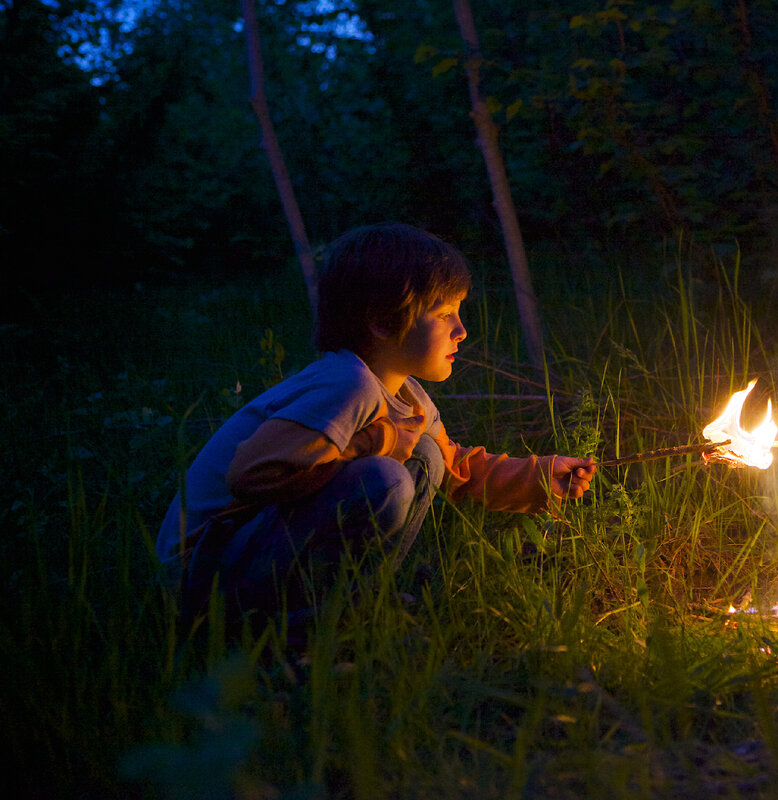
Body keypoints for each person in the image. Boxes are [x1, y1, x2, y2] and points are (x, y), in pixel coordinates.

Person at [156, 221, 596, 632]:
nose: (461, 330)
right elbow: (250, 474)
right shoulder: (346, 386)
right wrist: (374, 442)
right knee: (384, 479)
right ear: (384, 321)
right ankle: (300, 635)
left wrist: (541, 475)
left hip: (250, 555)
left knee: (423, 456)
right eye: (444, 314)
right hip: (203, 574)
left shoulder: (407, 398)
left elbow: (456, 466)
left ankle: (348, 609)